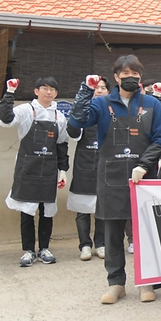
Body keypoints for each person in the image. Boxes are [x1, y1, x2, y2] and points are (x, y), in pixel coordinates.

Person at [69, 55, 161, 304]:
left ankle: (147, 283)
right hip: (110, 176)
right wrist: (85, 91)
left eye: (135, 74)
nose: (130, 78)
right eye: (125, 74)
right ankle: (116, 283)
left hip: (143, 178)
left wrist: (144, 165)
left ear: (140, 77)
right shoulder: (102, 105)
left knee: (145, 232)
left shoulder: (152, 105)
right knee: (112, 232)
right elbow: (76, 122)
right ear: (116, 77)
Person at [0, 76, 70, 267]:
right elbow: (6, 119)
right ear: (36, 91)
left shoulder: (59, 117)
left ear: (56, 93)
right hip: (27, 169)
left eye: (52, 89)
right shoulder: (25, 111)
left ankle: (44, 249)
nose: (49, 92)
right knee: (26, 212)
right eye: (44, 88)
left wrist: (63, 170)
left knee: (47, 212)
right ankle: (28, 251)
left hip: (49, 171)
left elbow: (62, 144)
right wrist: (10, 93)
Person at [67, 76, 109, 261]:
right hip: (84, 166)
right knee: (82, 208)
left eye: (103, 88)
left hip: (105, 167)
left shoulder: (111, 112)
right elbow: (73, 132)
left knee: (102, 208)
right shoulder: (82, 113)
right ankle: (84, 244)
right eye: (96, 87)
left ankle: (101, 244)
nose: (99, 91)